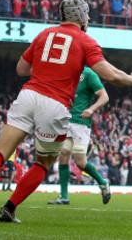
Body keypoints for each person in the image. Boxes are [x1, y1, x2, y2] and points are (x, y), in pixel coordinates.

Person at [0, 0, 132, 223]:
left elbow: (21, 69)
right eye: (88, 15)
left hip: (28, 95)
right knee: (42, 163)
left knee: (0, 152)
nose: (89, 19)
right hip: (55, 104)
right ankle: (8, 209)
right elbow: (110, 75)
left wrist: (48, 66)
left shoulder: (44, 34)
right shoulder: (85, 41)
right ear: (81, 16)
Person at [48, 67, 112, 205]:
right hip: (67, 120)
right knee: (63, 154)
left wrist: (91, 109)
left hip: (81, 123)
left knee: (80, 161)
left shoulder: (89, 74)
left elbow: (104, 96)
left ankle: (103, 183)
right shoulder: (68, 71)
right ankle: (64, 196)